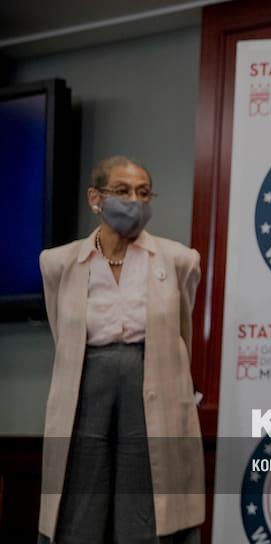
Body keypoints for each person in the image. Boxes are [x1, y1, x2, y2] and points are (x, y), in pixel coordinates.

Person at [37, 156, 204, 543]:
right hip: (85, 386)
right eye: (123, 191)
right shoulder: (58, 263)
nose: (135, 201)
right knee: (79, 494)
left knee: (147, 497)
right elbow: (62, 333)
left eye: (143, 193)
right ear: (95, 198)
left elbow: (182, 330)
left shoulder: (179, 260)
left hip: (151, 384)